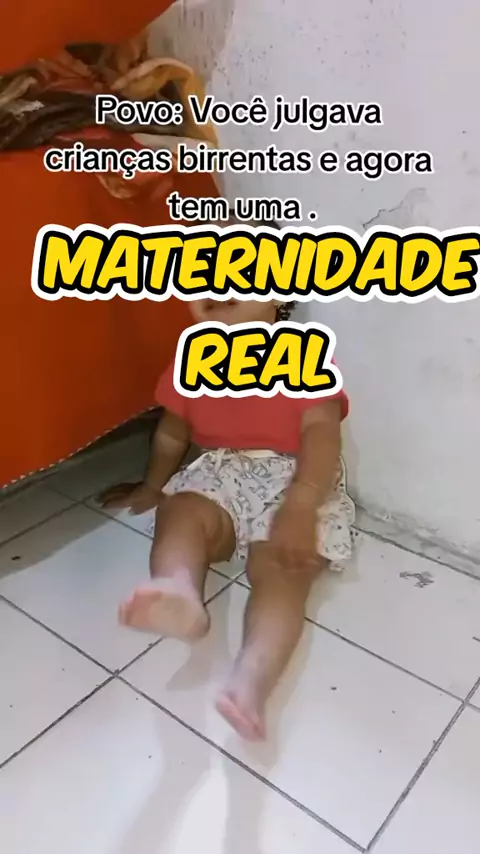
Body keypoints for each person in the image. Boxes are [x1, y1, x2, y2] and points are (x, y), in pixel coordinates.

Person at [99, 218, 355, 741]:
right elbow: (172, 435)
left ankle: (251, 682)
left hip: (295, 478)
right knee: (180, 511)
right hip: (222, 468)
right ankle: (179, 590)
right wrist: (153, 487)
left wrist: (302, 504)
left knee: (279, 572)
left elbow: (323, 433)